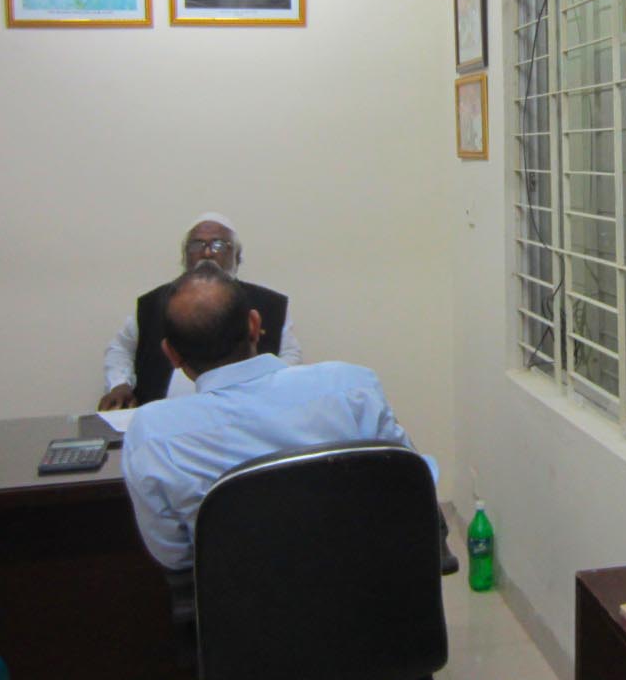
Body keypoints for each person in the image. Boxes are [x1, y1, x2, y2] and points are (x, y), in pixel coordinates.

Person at [121, 262, 434, 571]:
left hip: (243, 599)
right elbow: (413, 486)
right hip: (371, 586)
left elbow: (174, 555)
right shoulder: (352, 388)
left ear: (171, 354)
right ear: (254, 324)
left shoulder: (152, 434)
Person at [99, 213, 301, 409]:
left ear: (237, 257)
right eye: (197, 245)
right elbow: (120, 349)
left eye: (219, 245)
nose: (207, 253)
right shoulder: (153, 303)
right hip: (165, 417)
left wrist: (274, 393)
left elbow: (289, 357)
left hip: (244, 415)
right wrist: (119, 383)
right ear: (184, 256)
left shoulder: (270, 304)